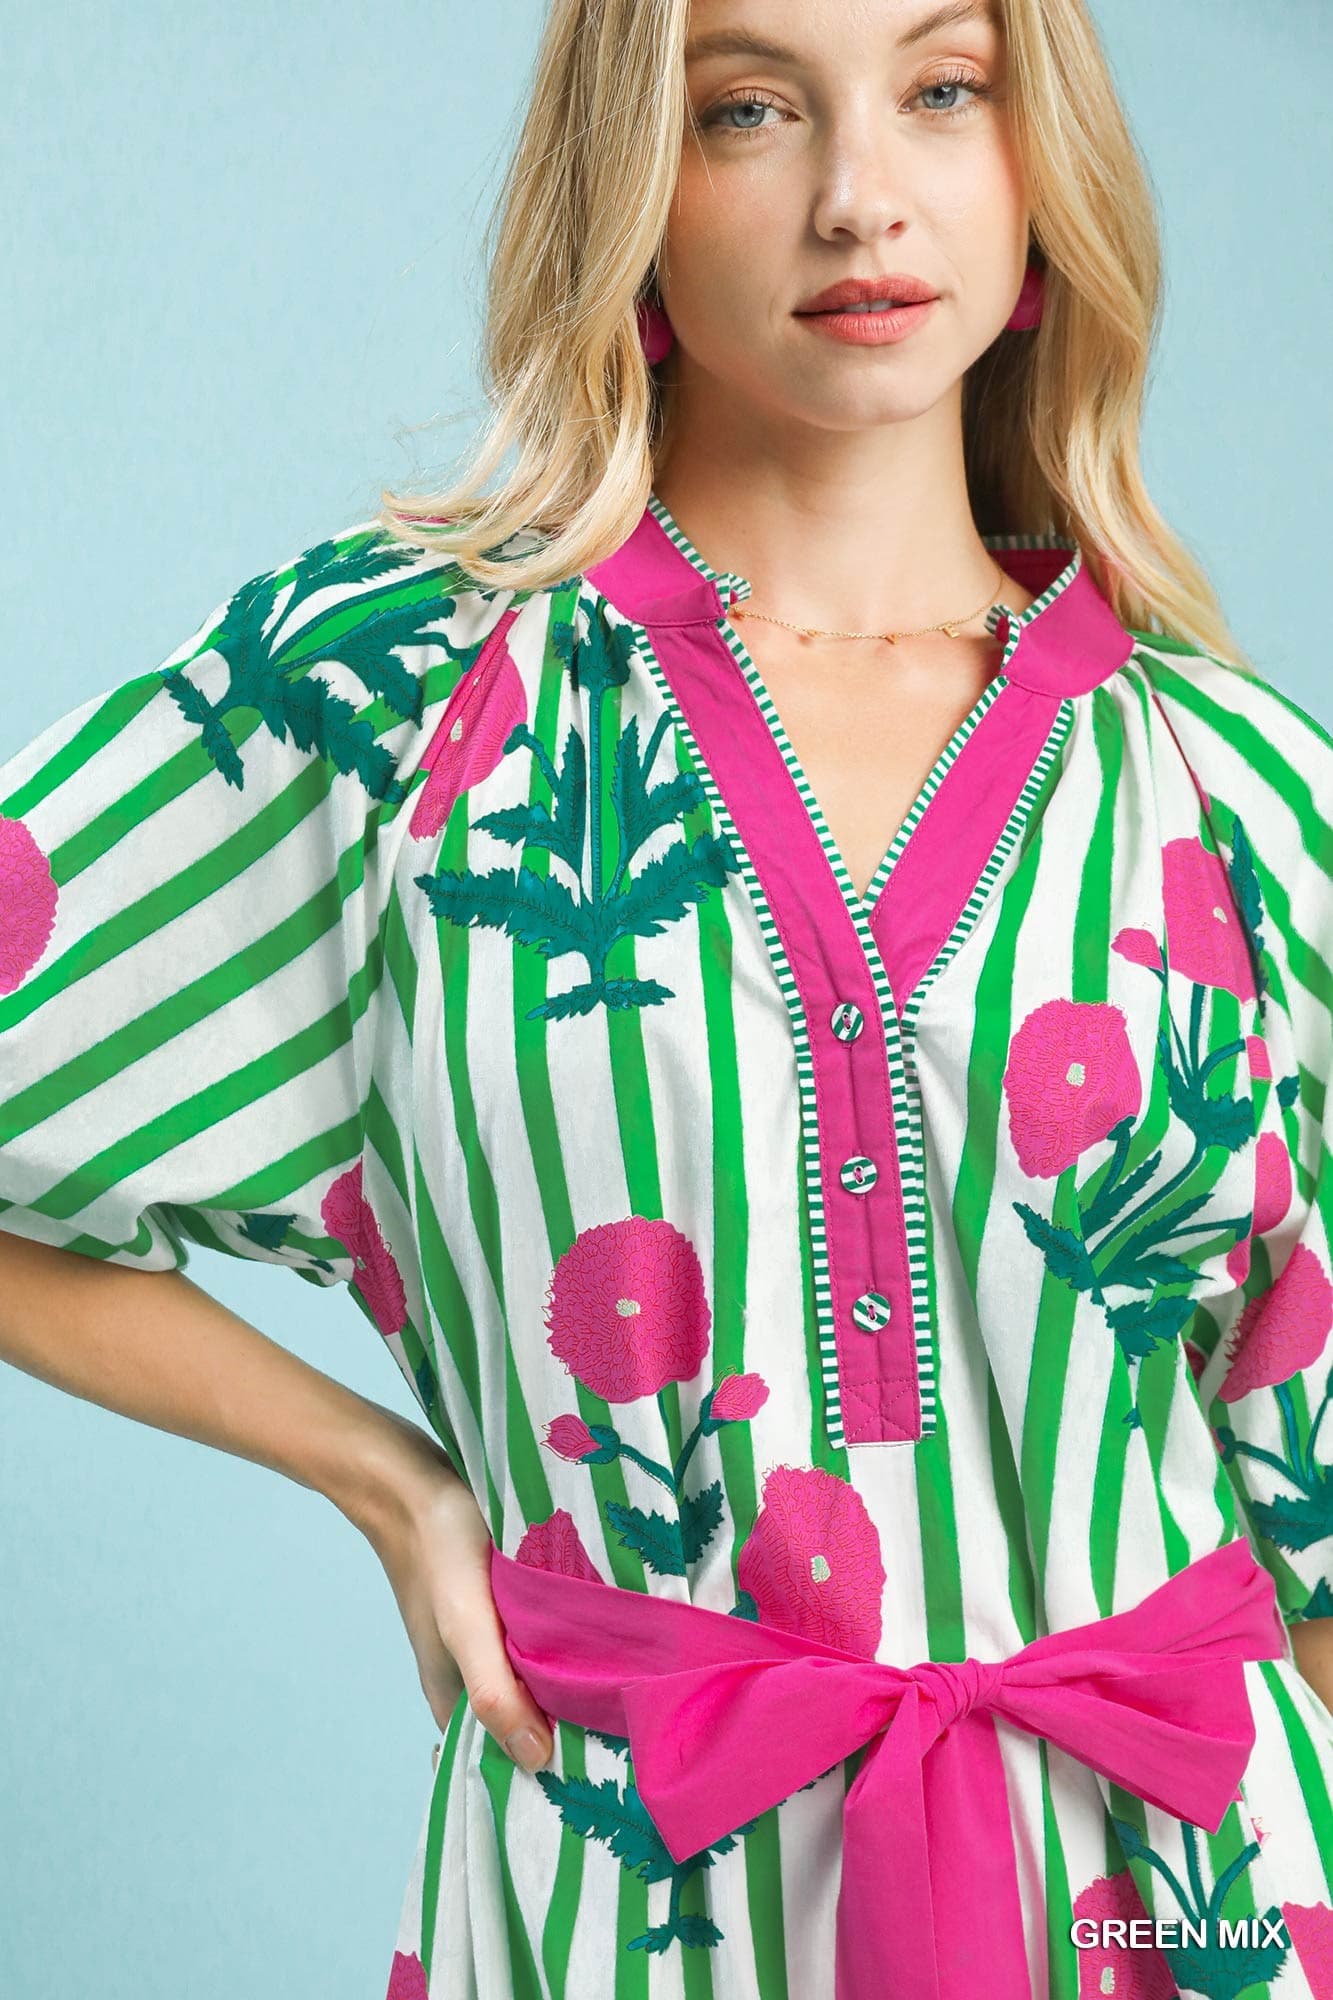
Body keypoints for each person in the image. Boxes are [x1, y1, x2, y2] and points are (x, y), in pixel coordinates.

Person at [3, 0, 1333, 1993]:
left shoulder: (1240, 797)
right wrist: (391, 1485)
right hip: (624, 1899)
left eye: (941, 90)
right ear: (625, 186)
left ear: (1036, 170)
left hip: (1180, 1907)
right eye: (747, 110)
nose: (859, 196)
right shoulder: (401, 706)